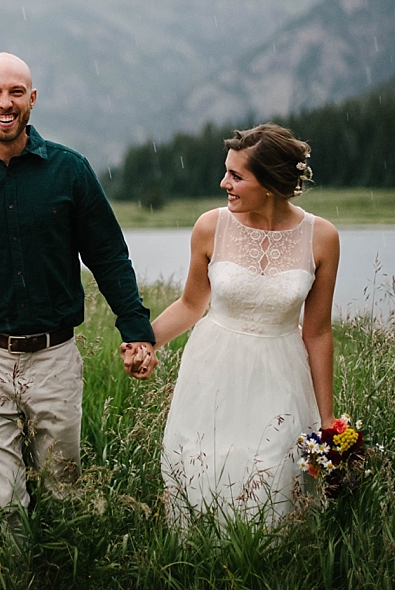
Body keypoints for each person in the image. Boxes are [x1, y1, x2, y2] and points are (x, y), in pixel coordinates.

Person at [0, 52, 157, 528]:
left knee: (62, 493)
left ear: (32, 99)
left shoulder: (70, 172)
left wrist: (136, 330)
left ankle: (61, 570)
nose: (5, 103)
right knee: (5, 502)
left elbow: (109, 257)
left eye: (16, 92)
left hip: (54, 358)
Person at [139, 123, 339, 526]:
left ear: (269, 182)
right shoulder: (210, 226)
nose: (223, 182)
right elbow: (192, 304)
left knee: (274, 479)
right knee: (206, 472)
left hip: (282, 377)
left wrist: (328, 422)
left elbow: (316, 332)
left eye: (236, 175)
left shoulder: (322, 238)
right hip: (212, 371)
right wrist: (144, 343)